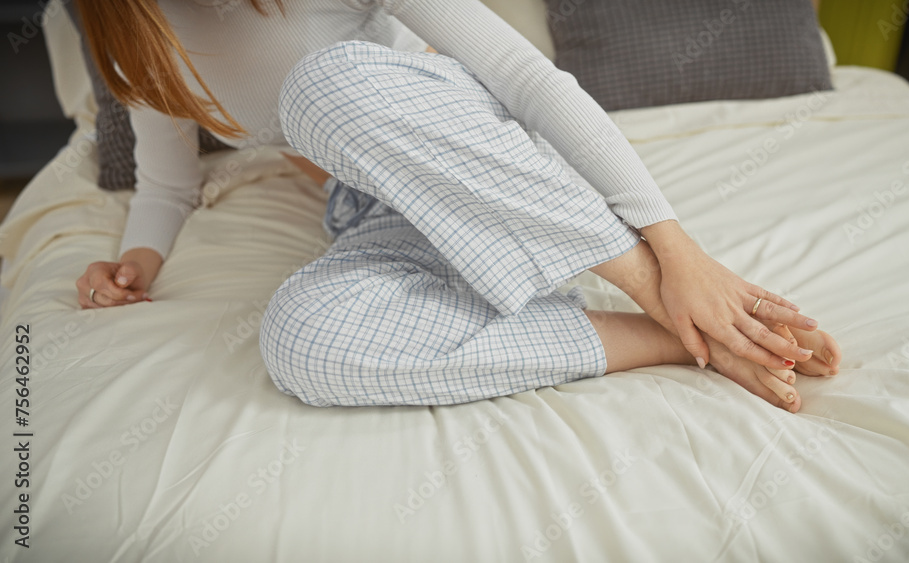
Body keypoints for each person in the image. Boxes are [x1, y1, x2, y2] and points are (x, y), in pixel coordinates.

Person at [73, 0, 842, 411]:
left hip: (483, 156)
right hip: (371, 210)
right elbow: (168, 183)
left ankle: (662, 289)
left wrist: (677, 253)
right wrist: (136, 261)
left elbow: (525, 76)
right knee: (301, 342)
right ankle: (683, 338)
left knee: (321, 89)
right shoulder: (130, 33)